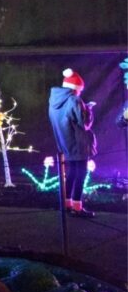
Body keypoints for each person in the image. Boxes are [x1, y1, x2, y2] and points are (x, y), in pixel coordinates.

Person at [48, 69, 97, 218]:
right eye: (80, 90)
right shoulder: (74, 100)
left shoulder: (54, 100)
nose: (80, 93)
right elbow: (85, 124)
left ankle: (67, 204)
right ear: (76, 88)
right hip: (78, 145)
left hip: (65, 143)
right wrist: (88, 109)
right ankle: (77, 207)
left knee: (70, 174)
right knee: (80, 175)